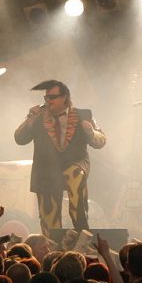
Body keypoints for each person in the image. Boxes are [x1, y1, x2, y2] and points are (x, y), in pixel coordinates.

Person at [14, 79, 106, 234]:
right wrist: (30, 120)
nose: (48, 101)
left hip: (76, 163)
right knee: (50, 220)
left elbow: (101, 141)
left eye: (52, 97)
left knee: (75, 176)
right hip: (46, 170)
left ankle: (82, 233)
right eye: (46, 98)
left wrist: (91, 132)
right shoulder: (38, 118)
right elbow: (19, 139)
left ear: (65, 97)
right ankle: (53, 247)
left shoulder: (84, 114)